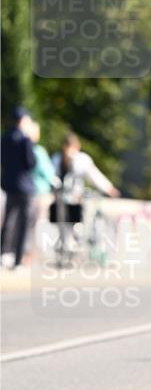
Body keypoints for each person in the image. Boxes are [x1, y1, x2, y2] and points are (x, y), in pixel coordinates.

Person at [50, 133, 120, 248]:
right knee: (61, 221)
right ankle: (64, 245)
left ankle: (77, 239)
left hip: (76, 197)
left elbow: (94, 176)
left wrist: (109, 188)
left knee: (80, 219)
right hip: (61, 197)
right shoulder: (57, 159)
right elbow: (51, 175)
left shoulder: (81, 160)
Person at [1, 105, 36, 269]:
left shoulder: (4, 138)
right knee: (23, 224)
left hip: (9, 184)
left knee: (8, 221)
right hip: (25, 188)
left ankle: (2, 255)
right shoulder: (25, 140)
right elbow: (31, 163)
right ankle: (17, 260)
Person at [27, 120, 60, 261]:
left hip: (26, 192)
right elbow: (49, 173)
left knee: (27, 225)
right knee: (37, 225)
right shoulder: (38, 152)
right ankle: (32, 254)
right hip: (39, 192)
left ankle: (27, 252)